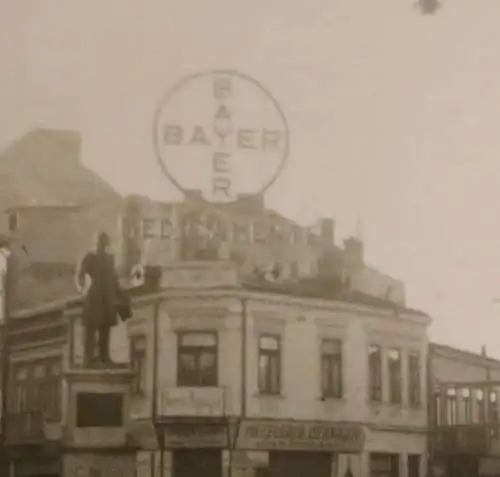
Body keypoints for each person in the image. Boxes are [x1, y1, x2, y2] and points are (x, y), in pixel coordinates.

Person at [75, 232, 125, 367]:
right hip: (95, 294)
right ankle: (88, 358)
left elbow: (114, 278)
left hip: (107, 295)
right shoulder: (90, 257)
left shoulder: (110, 259)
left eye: (103, 242)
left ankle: (105, 357)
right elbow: (80, 273)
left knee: (105, 327)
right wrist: (81, 288)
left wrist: (118, 293)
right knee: (91, 326)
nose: (101, 245)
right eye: (99, 242)